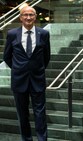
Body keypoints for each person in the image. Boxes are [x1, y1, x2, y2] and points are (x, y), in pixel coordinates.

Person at [3, 6, 50, 141]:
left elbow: (46, 57)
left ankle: (42, 139)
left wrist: (37, 69)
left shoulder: (44, 34)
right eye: (25, 15)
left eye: (31, 15)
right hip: (19, 80)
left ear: (35, 17)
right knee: (22, 114)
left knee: (40, 113)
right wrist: (18, 68)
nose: (28, 17)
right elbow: (7, 56)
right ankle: (26, 139)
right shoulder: (12, 34)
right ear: (20, 17)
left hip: (38, 79)